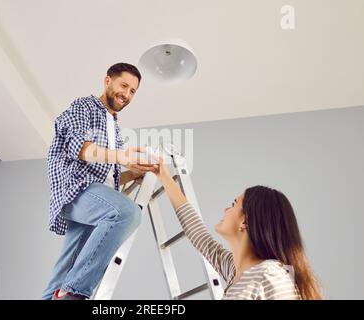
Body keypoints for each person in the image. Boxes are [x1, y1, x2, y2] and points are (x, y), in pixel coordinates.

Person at [42, 63, 155, 300]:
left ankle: (59, 292)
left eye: (133, 91)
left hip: (94, 198)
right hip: (76, 190)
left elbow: (105, 177)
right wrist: (120, 156)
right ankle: (74, 292)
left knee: (62, 273)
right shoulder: (84, 107)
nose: (127, 94)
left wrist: (131, 173)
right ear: (107, 81)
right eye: (124, 85)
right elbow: (79, 149)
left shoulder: (114, 127)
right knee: (127, 213)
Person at [153, 156, 322, 300]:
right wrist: (164, 176)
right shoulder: (238, 272)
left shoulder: (270, 274)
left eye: (233, 204)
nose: (225, 209)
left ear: (245, 222)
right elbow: (199, 236)